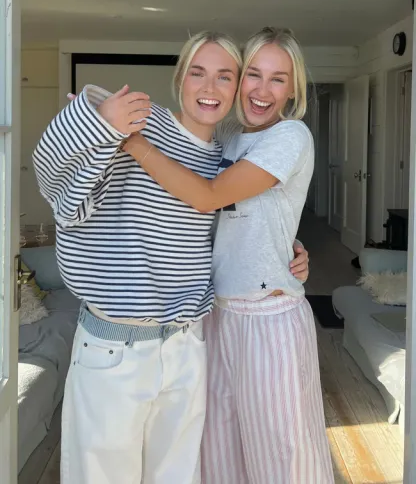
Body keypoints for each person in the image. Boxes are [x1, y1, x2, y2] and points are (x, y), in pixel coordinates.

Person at [33, 30, 309, 484]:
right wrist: (99, 120)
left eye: (225, 76)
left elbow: (228, 219)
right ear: (180, 78)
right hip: (114, 345)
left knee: (179, 475)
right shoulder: (142, 123)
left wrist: (290, 251)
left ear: (235, 88)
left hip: (187, 344)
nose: (209, 87)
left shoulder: (225, 153)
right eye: (198, 73)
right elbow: (54, 176)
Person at [123, 27, 334, 484]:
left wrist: (135, 144)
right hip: (216, 315)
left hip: (268, 318)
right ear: (239, 81)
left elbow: (210, 197)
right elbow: (229, 222)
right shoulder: (229, 140)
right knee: (219, 452)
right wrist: (291, 243)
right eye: (253, 74)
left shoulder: (291, 135)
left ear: (293, 89)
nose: (262, 90)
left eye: (278, 79)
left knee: (283, 458)